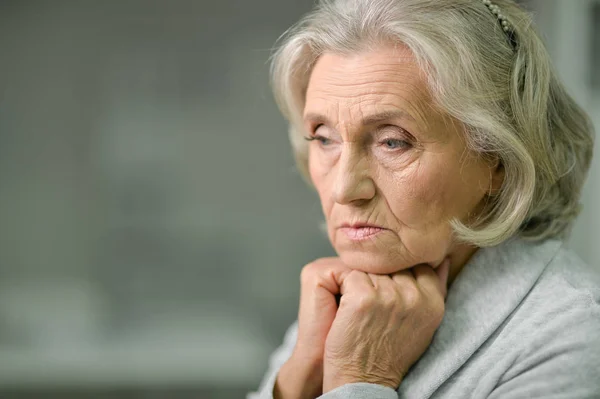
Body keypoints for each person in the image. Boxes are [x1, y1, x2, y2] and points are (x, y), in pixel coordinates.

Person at [249, 0, 599, 397]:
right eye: (324, 138)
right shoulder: (355, 292)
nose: (343, 189)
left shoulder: (573, 336)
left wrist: (360, 375)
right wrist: (300, 375)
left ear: (500, 159)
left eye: (393, 142)